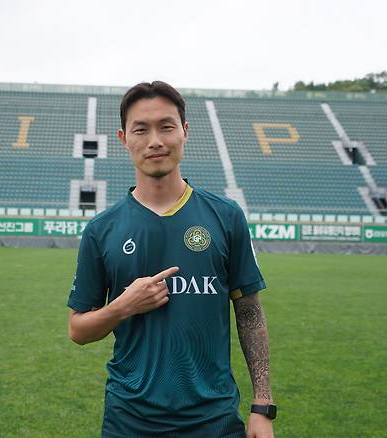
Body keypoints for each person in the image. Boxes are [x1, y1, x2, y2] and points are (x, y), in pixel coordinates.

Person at [67, 81, 275, 438]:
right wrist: (123, 306)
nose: (155, 141)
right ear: (123, 139)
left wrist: (262, 406)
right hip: (129, 420)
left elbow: (249, 313)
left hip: (213, 419)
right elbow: (78, 331)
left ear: (184, 132)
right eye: (141, 130)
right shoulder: (102, 229)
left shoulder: (226, 216)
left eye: (166, 126)